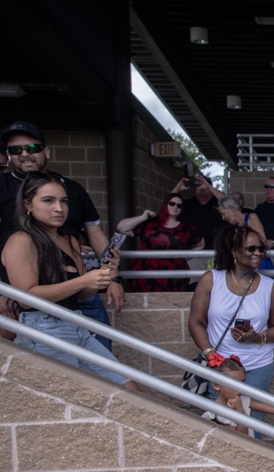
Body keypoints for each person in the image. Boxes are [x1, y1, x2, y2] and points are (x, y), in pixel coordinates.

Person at [1, 172, 138, 390]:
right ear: (28, 204)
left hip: (76, 323)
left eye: (64, 201)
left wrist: (105, 270)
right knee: (74, 394)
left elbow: (82, 294)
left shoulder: (69, 239)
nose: (59, 208)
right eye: (48, 201)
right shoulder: (21, 240)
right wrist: (83, 281)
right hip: (43, 327)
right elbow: (27, 298)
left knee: (129, 387)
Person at [0, 120, 124, 350]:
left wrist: (112, 278)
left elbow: (96, 235)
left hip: (77, 289)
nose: (25, 154)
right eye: (16, 150)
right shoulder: (2, 187)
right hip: (23, 298)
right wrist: (3, 291)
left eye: (33, 148)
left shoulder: (72, 188)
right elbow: (26, 297)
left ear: (46, 151)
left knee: (104, 360)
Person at [189, 225, 274, 424]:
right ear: (234, 251)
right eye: (251, 249)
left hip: (257, 367)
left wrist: (257, 337)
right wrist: (210, 354)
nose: (258, 253)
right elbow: (196, 322)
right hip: (222, 367)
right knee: (220, 425)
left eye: (261, 249)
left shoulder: (269, 285)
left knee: (251, 425)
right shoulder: (211, 280)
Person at [117, 194, 204, 293]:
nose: (175, 207)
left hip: (174, 274)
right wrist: (142, 217)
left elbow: (200, 245)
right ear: (165, 204)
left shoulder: (187, 228)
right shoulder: (150, 222)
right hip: (145, 272)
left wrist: (184, 258)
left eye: (179, 206)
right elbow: (122, 228)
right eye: (172, 204)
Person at [201, 357, 274, 438]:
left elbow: (273, 409)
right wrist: (240, 410)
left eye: (242, 382)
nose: (239, 388)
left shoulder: (242, 400)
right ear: (216, 385)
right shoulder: (214, 414)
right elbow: (242, 440)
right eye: (233, 383)